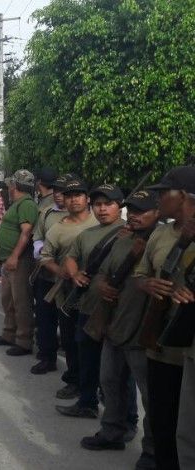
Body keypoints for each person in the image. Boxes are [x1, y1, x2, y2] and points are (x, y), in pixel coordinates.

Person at [78, 190, 159, 469]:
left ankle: (152, 450)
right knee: (109, 382)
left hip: (144, 331)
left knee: (150, 397)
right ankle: (112, 431)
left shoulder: (162, 241)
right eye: (132, 210)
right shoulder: (123, 238)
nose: (135, 215)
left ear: (158, 212)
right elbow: (102, 271)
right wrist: (101, 285)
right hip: (115, 324)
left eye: (142, 210)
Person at [134, 167, 195, 470]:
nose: (158, 198)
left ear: (182, 196)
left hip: (189, 346)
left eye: (163, 192)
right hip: (160, 339)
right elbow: (141, 274)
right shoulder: (160, 232)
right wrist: (147, 283)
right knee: (161, 414)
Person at [56, 184, 126, 419]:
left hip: (117, 312)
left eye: (109, 204)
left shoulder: (129, 234)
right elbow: (71, 258)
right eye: (98, 204)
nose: (103, 209)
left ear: (120, 206)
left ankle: (123, 419)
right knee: (87, 357)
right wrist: (75, 274)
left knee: (118, 370)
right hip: (87, 307)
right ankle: (87, 402)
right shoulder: (87, 234)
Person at [35, 178, 98, 390]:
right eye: (69, 196)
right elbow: (45, 257)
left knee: (94, 342)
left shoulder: (100, 223)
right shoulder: (57, 228)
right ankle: (74, 380)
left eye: (78, 195)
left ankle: (97, 387)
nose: (73, 200)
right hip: (67, 294)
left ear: (87, 198)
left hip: (97, 294)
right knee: (71, 340)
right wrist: (59, 270)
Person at [0, 170, 38, 356]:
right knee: (8, 300)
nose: (8, 188)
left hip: (19, 261)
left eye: (10, 185)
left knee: (21, 301)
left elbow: (26, 232)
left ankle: (24, 341)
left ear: (15, 186)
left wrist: (15, 256)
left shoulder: (26, 205)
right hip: (9, 260)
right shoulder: (18, 204)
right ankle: (9, 334)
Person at [29, 174, 70, 373]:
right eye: (57, 191)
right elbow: (37, 237)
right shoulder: (46, 213)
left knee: (68, 325)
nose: (59, 196)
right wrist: (42, 253)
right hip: (47, 273)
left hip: (70, 278)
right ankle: (47, 357)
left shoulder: (85, 216)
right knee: (45, 319)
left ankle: (75, 373)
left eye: (64, 192)